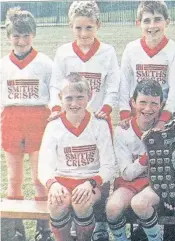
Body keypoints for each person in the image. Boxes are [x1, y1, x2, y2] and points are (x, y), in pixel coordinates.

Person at [48, 2, 120, 240]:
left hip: (97, 118)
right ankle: (75, 223)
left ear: (98, 25)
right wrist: (58, 108)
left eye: (89, 27)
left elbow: (113, 85)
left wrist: (107, 108)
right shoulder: (63, 52)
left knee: (99, 169)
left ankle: (98, 225)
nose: (84, 33)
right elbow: (55, 84)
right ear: (71, 27)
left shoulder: (107, 52)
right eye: (78, 28)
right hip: (71, 116)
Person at [38, 73, 116, 241]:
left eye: (80, 97)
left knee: (82, 203)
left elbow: (109, 166)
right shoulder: (54, 126)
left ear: (90, 96)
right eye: (69, 98)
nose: (74, 103)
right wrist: (52, 185)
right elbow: (44, 166)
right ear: (60, 98)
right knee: (57, 203)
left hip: (91, 181)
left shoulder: (99, 124)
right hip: (62, 180)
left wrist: (91, 183)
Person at [0, 7, 53, 241]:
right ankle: (15, 232)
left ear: (34, 34)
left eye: (25, 35)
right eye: (16, 35)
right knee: (14, 179)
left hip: (38, 119)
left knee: (40, 178)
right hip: (12, 119)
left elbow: (55, 93)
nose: (21, 40)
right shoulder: (3, 64)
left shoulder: (45, 63)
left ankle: (44, 230)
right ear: (7, 35)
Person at [106, 80, 164, 241]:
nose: (147, 108)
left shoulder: (165, 130)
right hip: (131, 182)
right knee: (112, 207)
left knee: (140, 203)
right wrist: (146, 158)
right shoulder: (123, 131)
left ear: (161, 105)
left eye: (154, 103)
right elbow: (127, 174)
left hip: (156, 183)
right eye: (142, 102)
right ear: (133, 102)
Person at [118, 0, 175, 131]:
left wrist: (163, 119)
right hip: (137, 113)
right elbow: (124, 83)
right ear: (138, 23)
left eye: (157, 20)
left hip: (162, 114)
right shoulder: (131, 49)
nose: (152, 26)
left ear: (167, 22)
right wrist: (124, 112)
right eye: (147, 21)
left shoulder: (174, 50)